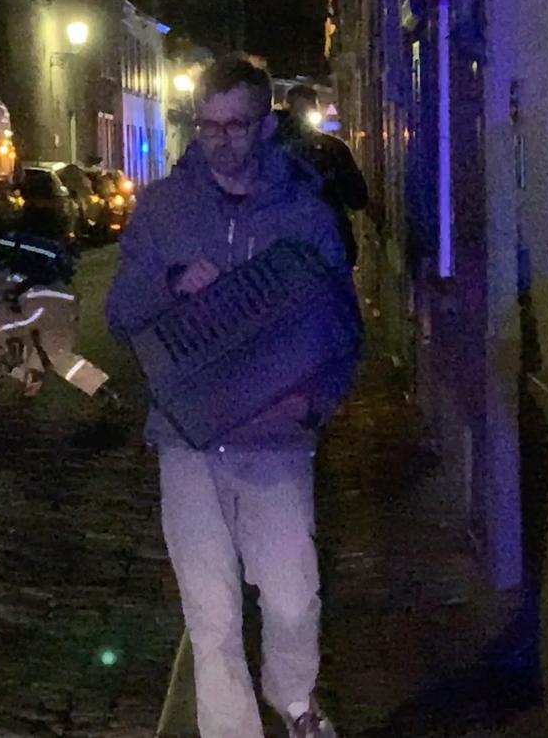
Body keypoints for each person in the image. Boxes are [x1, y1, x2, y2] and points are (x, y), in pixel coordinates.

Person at [105, 57, 359, 738]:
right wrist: (170, 281)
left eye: (236, 127)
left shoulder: (303, 212)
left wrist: (313, 404)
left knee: (292, 599)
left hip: (276, 440)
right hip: (186, 440)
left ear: (265, 125)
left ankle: (294, 697)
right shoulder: (164, 208)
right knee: (211, 614)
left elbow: (341, 328)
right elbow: (119, 311)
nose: (220, 141)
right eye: (208, 126)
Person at [275, 85, 368, 267]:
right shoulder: (333, 149)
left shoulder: (270, 150)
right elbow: (357, 198)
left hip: (287, 252)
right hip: (328, 248)